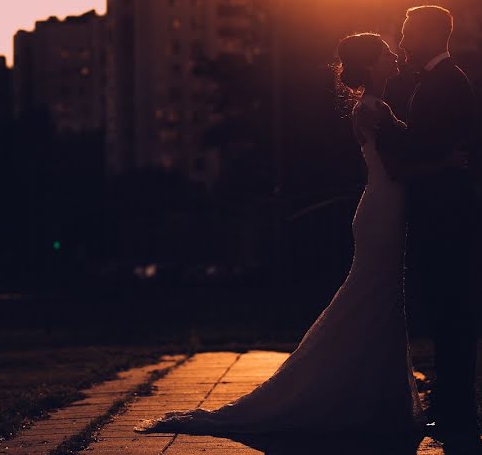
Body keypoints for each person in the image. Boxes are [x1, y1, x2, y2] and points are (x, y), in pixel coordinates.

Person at [135, 32, 448, 436]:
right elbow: (396, 166)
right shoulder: (370, 109)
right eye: (386, 53)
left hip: (386, 209)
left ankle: (378, 397)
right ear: (371, 63)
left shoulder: (378, 106)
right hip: (381, 210)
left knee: (383, 302)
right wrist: (444, 162)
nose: (394, 57)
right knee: (371, 298)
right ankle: (338, 393)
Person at [377, 5, 479, 446]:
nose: (402, 41)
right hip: (443, 218)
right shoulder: (439, 82)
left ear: (430, 34)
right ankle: (452, 405)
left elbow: (424, 144)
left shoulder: (446, 83)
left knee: (451, 313)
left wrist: (386, 125)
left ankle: (456, 408)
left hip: (447, 220)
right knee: (445, 314)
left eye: (407, 32)